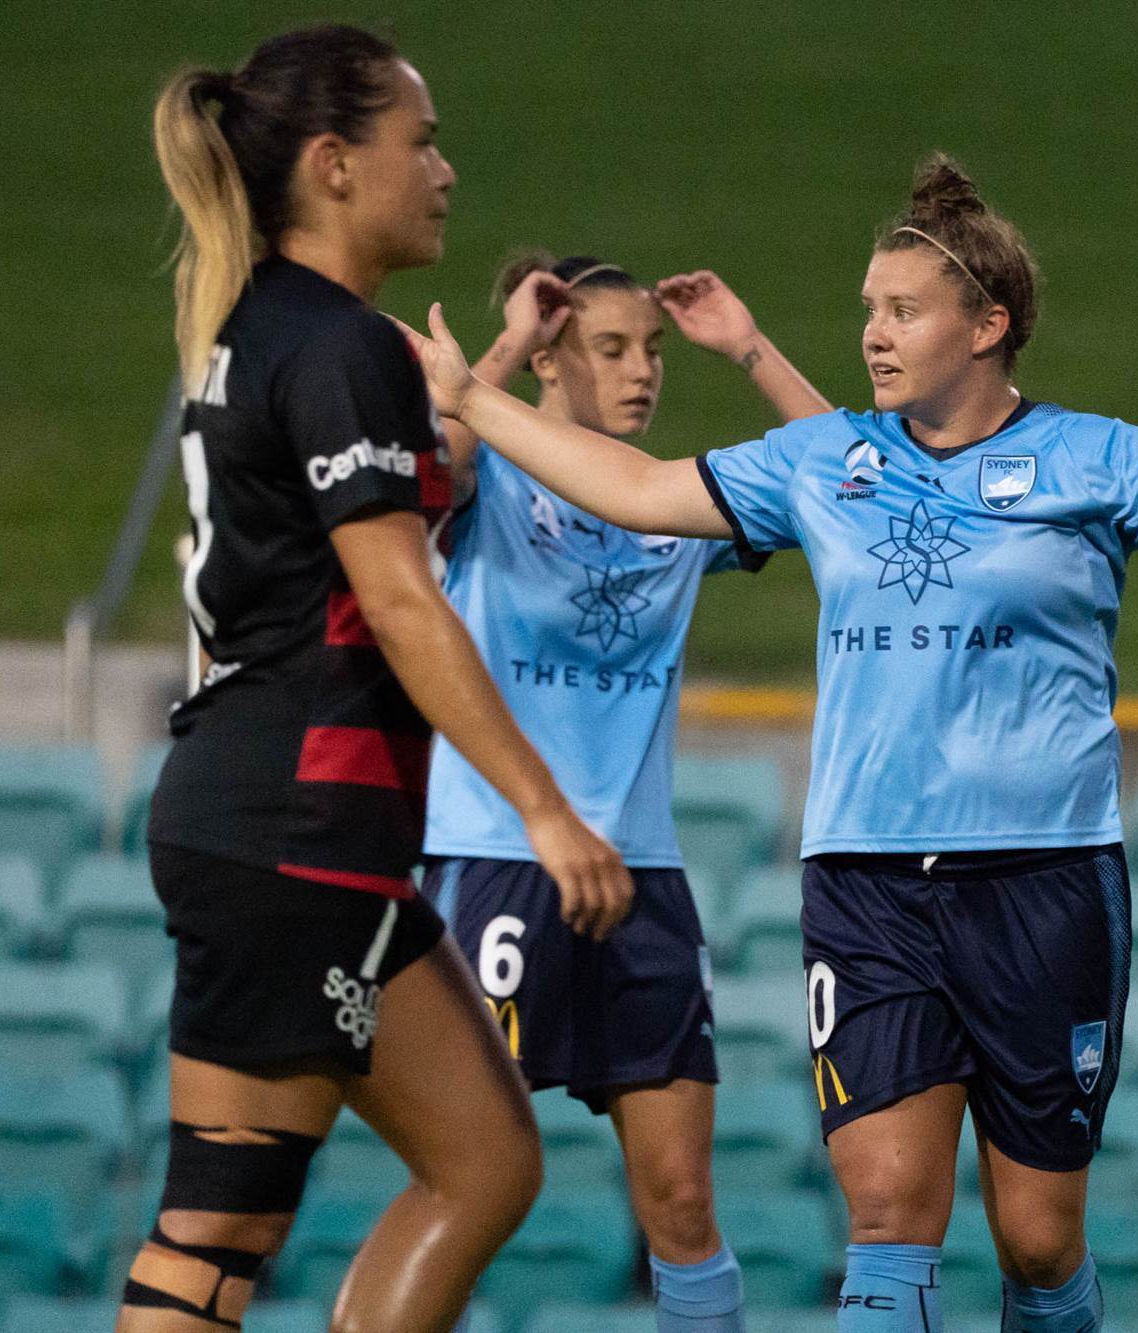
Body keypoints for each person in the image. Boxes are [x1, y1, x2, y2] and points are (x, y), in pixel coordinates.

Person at [397, 152, 1138, 1332]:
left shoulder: (1088, 457)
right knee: (889, 1211)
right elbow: (641, 490)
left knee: (1037, 1239)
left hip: (1042, 878)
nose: (873, 334)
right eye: (866, 311)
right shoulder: (826, 460)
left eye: (900, 310)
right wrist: (473, 396)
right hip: (865, 882)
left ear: (986, 324)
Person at [128, 25, 631, 1333]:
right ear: (338, 166)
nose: (446, 170)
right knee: (222, 1224)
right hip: (298, 826)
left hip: (273, 822)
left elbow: (405, 493)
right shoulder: (340, 344)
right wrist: (544, 807)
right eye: (424, 142)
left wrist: (496, 367)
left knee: (480, 1161)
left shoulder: (265, 329)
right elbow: (402, 601)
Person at [420, 252, 828, 1332]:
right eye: (610, 347)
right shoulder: (492, 479)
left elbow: (845, 481)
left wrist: (745, 345)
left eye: (649, 349)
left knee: (683, 1199)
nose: (641, 371)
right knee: (469, 1182)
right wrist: (499, 349)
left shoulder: (672, 501)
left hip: (642, 874)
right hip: (499, 855)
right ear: (552, 357)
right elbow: (424, 467)